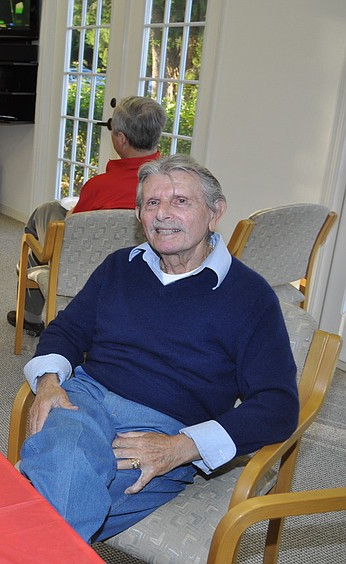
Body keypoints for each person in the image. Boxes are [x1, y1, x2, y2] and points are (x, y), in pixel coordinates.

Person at [19, 154, 299, 543]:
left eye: (180, 201)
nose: (163, 214)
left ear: (215, 212)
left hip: (163, 431)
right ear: (139, 214)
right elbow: (67, 329)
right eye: (152, 203)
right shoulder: (120, 266)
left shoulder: (250, 296)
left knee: (55, 493)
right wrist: (49, 382)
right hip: (86, 401)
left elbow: (278, 404)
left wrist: (181, 448)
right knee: (66, 465)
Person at [8, 96, 166, 336]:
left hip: (91, 274)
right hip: (146, 273)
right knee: (48, 210)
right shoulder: (171, 183)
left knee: (39, 227)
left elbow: (72, 236)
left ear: (121, 139)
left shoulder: (99, 187)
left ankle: (30, 315)